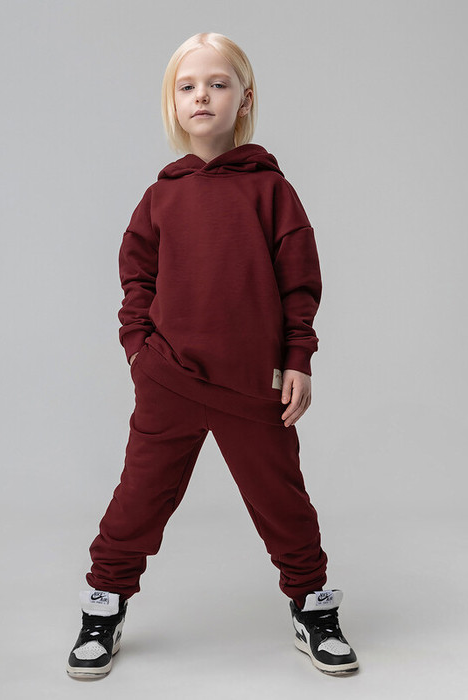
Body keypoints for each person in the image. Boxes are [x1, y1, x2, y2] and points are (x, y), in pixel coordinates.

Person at [66, 31, 359, 680]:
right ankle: (103, 601)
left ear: (243, 100)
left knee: (282, 501)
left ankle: (312, 605)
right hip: (168, 379)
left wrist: (299, 358)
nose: (202, 96)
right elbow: (136, 278)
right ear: (173, 103)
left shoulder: (270, 190)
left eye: (218, 84)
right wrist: (138, 351)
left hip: (253, 384)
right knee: (138, 499)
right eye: (187, 86)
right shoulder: (160, 197)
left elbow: (299, 283)